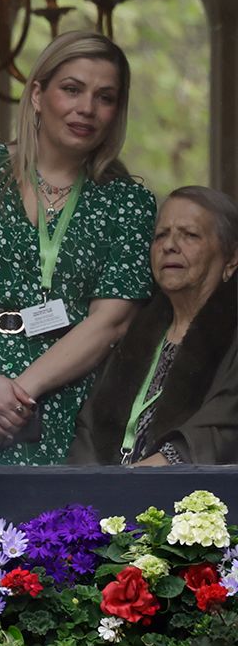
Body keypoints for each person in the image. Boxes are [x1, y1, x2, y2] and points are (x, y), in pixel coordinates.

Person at [0, 30, 156, 465]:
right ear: (38, 95)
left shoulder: (128, 202)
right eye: (72, 89)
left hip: (74, 409)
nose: (87, 109)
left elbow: (112, 323)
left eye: (105, 97)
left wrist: (18, 395)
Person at [71, 187, 238, 466]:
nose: (170, 245)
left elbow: (222, 430)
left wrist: (135, 480)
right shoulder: (137, 332)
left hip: (188, 501)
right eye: (161, 235)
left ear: (231, 258)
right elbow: (90, 429)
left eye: (190, 235)